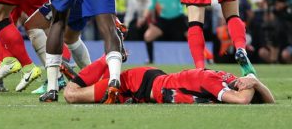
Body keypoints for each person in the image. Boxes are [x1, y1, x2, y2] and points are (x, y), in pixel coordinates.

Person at [63, 55, 275, 104]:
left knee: (98, 89)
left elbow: (270, 102)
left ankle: (111, 61)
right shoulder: (211, 81)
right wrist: (253, 80)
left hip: (151, 81)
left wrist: (253, 80)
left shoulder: (227, 79)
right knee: (71, 95)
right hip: (138, 84)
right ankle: (110, 55)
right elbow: (242, 101)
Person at [142, 0, 186, 64]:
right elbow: (150, 8)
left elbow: (187, 2)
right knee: (147, 36)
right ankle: (150, 60)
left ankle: (207, 58)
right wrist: (144, 18)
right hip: (163, 20)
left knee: (194, 36)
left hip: (178, 19)